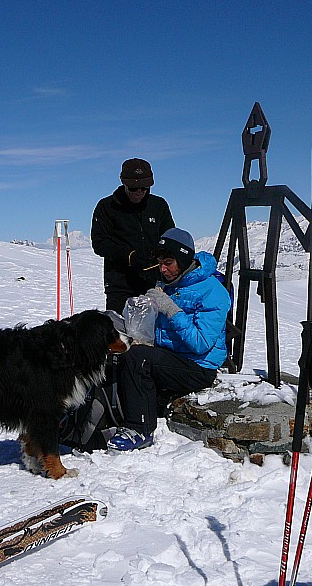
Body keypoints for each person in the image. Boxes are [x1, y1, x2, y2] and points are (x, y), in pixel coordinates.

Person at [107, 228, 231, 451]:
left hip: (199, 367)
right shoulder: (173, 284)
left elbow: (200, 343)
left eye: (169, 263)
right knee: (121, 348)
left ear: (183, 260)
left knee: (138, 358)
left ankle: (140, 429)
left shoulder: (213, 292)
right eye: (160, 263)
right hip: (171, 357)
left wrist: (170, 310)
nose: (162, 269)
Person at [91, 158, 175, 313]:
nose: (139, 192)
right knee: (121, 332)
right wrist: (129, 257)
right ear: (124, 183)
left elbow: (169, 238)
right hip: (120, 284)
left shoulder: (159, 205)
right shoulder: (106, 207)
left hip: (155, 281)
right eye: (134, 188)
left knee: (155, 332)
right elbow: (100, 243)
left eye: (144, 188)